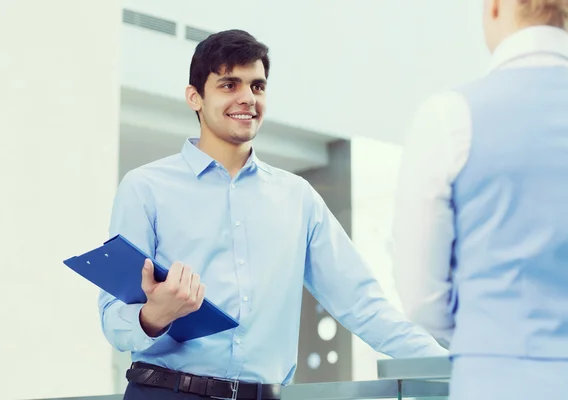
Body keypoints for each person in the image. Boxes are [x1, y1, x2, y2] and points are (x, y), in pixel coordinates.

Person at [99, 29, 447, 400]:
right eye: (229, 85)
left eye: (258, 87)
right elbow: (112, 319)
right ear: (195, 97)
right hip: (165, 392)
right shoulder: (145, 188)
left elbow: (362, 305)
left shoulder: (297, 198)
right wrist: (155, 314)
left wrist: (452, 367)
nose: (247, 98)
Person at [391, 0, 568, 399]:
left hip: (494, 380)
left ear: (494, 5)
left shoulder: (447, 117)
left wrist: (488, 341)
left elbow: (422, 299)